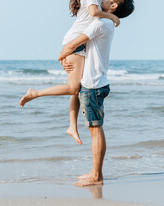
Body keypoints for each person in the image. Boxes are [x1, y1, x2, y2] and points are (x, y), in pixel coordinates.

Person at [20, 0, 120, 145]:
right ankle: (34, 93)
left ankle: (72, 127)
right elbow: (94, 13)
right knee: (73, 88)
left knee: (78, 87)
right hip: (76, 42)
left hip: (78, 43)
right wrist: (113, 17)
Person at [58, 0, 135, 186]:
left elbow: (72, 45)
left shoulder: (101, 23)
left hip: (92, 84)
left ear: (114, 5)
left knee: (96, 130)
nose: (103, 0)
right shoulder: (106, 23)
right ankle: (95, 172)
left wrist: (61, 57)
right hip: (97, 82)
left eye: (108, 0)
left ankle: (96, 176)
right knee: (96, 130)